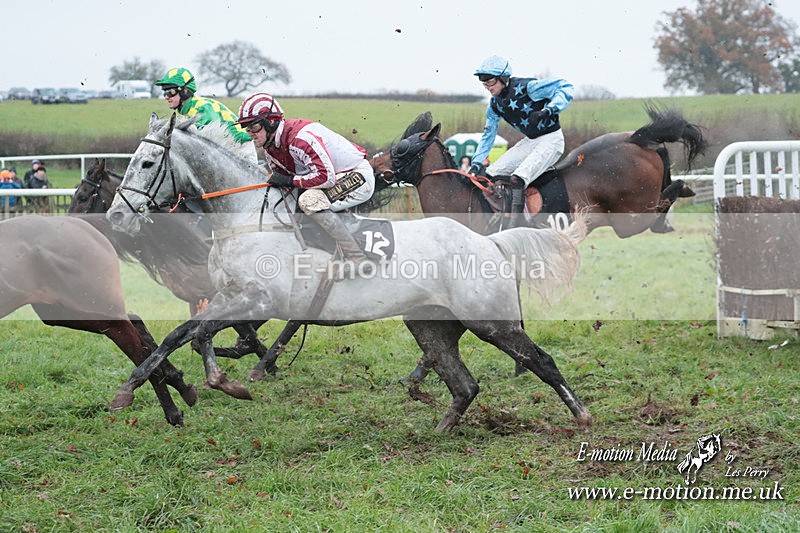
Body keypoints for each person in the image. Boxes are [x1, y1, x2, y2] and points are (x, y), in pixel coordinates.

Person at [236, 92, 376, 277]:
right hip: (333, 178)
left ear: (271, 122)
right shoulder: (270, 149)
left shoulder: (299, 139)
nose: (250, 134)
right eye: (247, 128)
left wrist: (289, 181)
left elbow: (326, 178)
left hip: (356, 175)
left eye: (254, 127)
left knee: (309, 201)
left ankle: (358, 258)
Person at [470, 55, 573, 228]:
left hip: (552, 139)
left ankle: (515, 226)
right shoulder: (494, 105)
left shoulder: (528, 88)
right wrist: (476, 163)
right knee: (490, 175)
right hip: (531, 141)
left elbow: (565, 86)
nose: (487, 87)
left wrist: (548, 110)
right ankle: (499, 219)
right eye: (484, 83)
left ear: (504, 78)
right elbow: (488, 135)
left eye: (490, 82)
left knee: (517, 179)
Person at [154, 67, 257, 161]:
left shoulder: (202, 108)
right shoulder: (187, 111)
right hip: (230, 150)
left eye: (170, 92)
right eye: (165, 92)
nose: (166, 97)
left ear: (184, 91)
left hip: (242, 148)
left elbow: (210, 144)